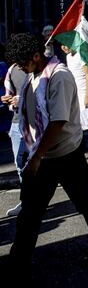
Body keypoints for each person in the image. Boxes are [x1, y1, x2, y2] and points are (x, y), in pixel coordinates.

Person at [6, 33, 88, 270]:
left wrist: (36, 157)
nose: (22, 69)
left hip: (65, 154)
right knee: (30, 213)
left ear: (36, 55)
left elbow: (58, 122)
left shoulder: (59, 76)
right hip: (40, 153)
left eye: (24, 63)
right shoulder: (32, 75)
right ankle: (17, 264)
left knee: (85, 202)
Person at [2, 63, 30, 216]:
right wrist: (8, 99)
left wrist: (22, 100)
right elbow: (10, 92)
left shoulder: (34, 68)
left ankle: (34, 201)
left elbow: (40, 93)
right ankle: (26, 201)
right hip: (15, 122)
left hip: (32, 122)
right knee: (19, 164)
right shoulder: (11, 70)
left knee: (34, 164)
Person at [61, 45, 88, 143]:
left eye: (66, 44)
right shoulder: (68, 57)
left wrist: (87, 95)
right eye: (62, 45)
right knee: (77, 121)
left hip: (84, 91)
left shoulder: (82, 54)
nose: (64, 47)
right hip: (75, 93)